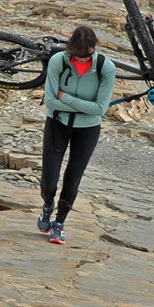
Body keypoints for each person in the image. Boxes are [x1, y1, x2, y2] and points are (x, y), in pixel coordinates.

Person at [38, 26, 115, 245]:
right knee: (50, 179)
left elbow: (100, 109)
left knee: (72, 179)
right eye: (76, 55)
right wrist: (82, 105)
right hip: (56, 123)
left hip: (88, 129)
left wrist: (67, 98)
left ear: (94, 48)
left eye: (85, 55)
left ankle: (59, 222)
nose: (80, 60)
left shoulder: (105, 68)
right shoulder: (58, 62)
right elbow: (50, 102)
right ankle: (47, 205)